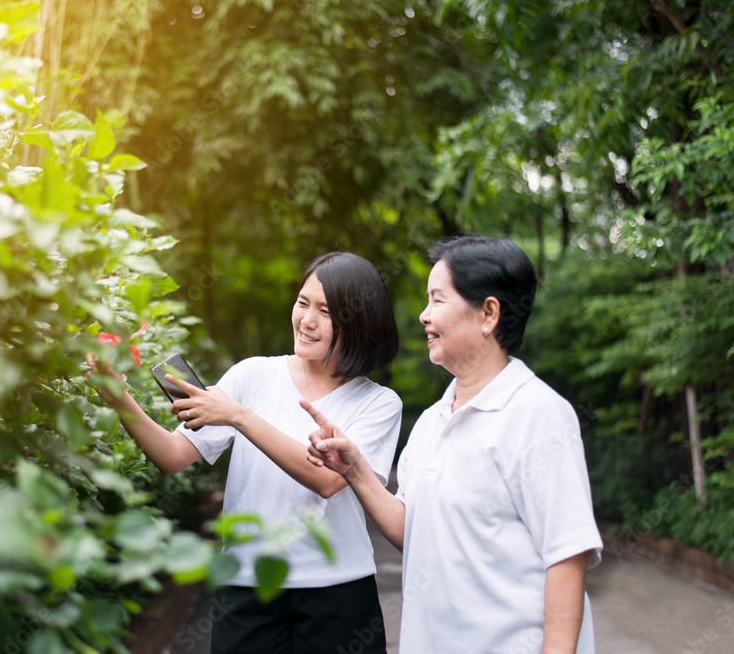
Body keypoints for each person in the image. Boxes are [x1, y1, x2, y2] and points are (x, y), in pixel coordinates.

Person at [88, 252, 402, 654]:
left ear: (359, 321)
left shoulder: (378, 403)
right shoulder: (253, 374)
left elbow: (327, 480)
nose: (306, 320)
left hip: (338, 591)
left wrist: (239, 416)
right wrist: (116, 394)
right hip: (247, 588)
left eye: (326, 312)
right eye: (303, 302)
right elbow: (170, 455)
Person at [306, 235, 603, 653]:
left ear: (488, 314)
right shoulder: (432, 421)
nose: (424, 316)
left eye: (438, 300)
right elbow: (414, 531)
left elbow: (566, 557)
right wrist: (355, 470)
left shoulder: (537, 414)